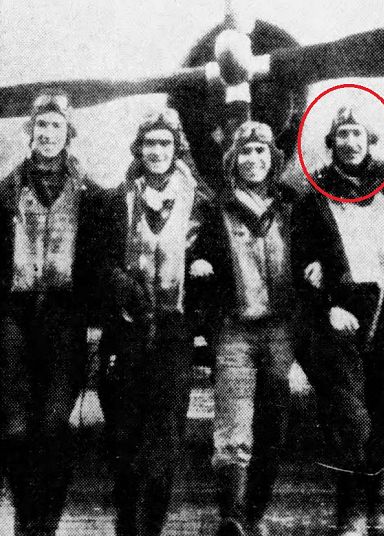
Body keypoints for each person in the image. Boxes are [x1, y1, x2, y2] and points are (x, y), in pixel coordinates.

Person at [0, 92, 116, 536]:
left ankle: (45, 523)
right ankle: (25, 517)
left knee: (53, 425)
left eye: (56, 126)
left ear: (69, 133)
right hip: (14, 316)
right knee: (13, 427)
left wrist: (96, 315)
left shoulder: (89, 195)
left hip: (65, 319)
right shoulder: (7, 190)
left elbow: (102, 260)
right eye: (41, 125)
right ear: (29, 131)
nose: (48, 134)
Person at [292, 106, 384, 536]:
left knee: (382, 412)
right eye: (342, 135)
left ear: (369, 139)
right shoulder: (314, 197)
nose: (350, 142)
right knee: (348, 416)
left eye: (357, 134)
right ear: (332, 143)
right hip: (340, 313)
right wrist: (326, 305)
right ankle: (349, 511)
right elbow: (299, 263)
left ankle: (374, 507)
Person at [98, 108, 208, 536]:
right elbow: (99, 259)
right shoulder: (120, 200)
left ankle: (152, 528)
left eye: (164, 143)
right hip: (128, 328)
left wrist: (201, 268)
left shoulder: (199, 201)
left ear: (176, 148)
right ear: (138, 149)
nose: (156, 151)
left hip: (175, 329)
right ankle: (126, 523)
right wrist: (118, 280)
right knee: (124, 432)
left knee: (165, 433)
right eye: (149, 143)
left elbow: (217, 254)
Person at [191, 121, 296, 536]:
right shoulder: (215, 208)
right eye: (245, 153)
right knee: (233, 425)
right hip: (234, 330)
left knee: (273, 423)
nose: (253, 160)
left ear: (273, 159)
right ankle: (232, 517)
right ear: (233, 161)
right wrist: (198, 262)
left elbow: (318, 244)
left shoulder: (290, 207)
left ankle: (256, 512)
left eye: (261, 152)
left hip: (280, 331)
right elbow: (190, 248)